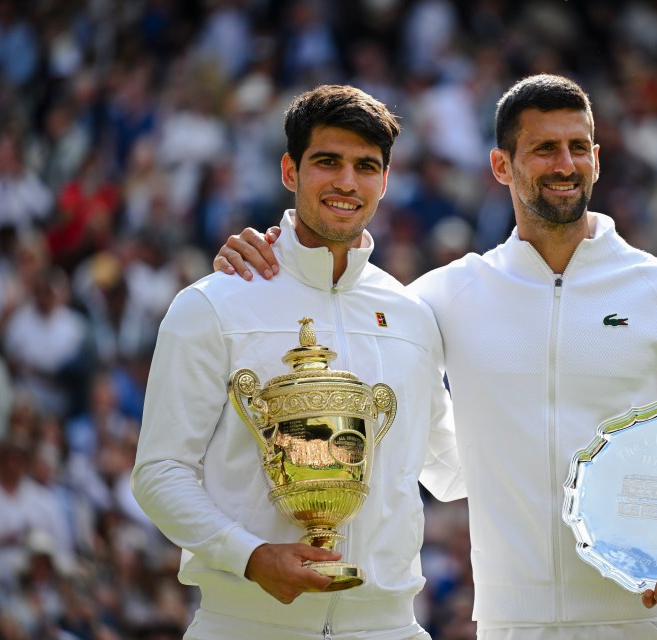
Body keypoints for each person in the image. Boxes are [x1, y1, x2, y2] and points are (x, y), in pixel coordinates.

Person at [215, 74, 657, 639]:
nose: (565, 164)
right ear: (501, 166)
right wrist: (277, 259)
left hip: (650, 617)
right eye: (543, 148)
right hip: (512, 625)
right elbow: (344, 310)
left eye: (578, 147)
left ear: (597, 159)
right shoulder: (442, 296)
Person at [131, 84, 465, 640]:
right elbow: (159, 474)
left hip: (389, 626)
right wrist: (252, 556)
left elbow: (451, 470)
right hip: (242, 623)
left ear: (385, 180)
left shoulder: (412, 316)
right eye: (327, 162)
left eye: (366, 166)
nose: (346, 182)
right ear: (290, 170)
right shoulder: (213, 303)